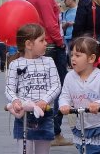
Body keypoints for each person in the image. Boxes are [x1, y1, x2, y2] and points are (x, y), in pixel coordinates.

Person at [26, 0, 71, 146]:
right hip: (51, 45)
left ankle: (46, 131)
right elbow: (50, 22)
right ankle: (54, 132)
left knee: (44, 88)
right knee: (58, 88)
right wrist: (61, 43)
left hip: (43, 44)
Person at [5, 23, 61, 154]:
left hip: (44, 113)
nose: (46, 43)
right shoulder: (15, 64)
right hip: (24, 115)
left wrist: (44, 100)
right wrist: (15, 100)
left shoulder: (49, 62)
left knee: (43, 151)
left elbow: (56, 85)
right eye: (42, 40)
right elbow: (9, 88)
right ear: (29, 44)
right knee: (24, 150)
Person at [61, 0, 77, 67]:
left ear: (70, 0)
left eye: (65, 0)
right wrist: (67, 24)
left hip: (76, 37)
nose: (64, 2)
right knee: (70, 57)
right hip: (67, 38)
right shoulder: (65, 12)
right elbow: (62, 26)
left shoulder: (79, 10)